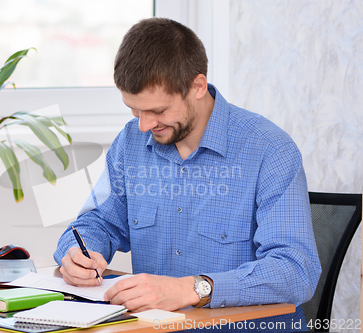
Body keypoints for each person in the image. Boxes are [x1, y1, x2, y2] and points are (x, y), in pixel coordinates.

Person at [53, 17, 321, 332]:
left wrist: (191, 289)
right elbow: (97, 223)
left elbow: (296, 271)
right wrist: (76, 254)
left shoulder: (269, 150)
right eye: (135, 110)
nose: (144, 125)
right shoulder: (132, 142)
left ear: (197, 86)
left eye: (158, 111)